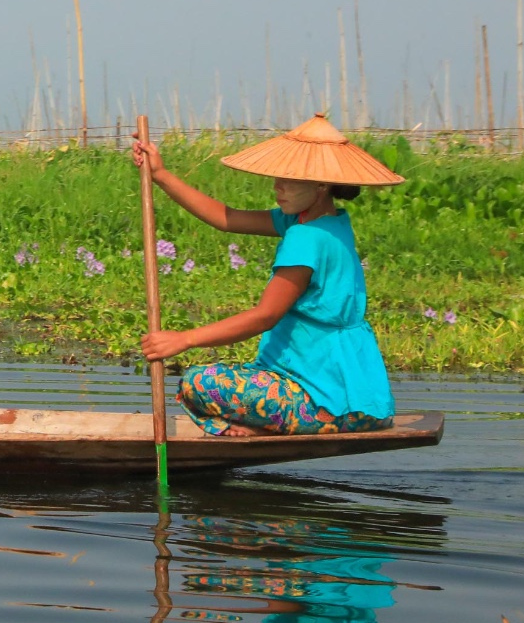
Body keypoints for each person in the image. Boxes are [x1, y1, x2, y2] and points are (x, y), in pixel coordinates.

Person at [132, 113, 403, 437]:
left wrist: (183, 340)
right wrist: (161, 175)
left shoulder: (306, 238)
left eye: (289, 180)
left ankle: (264, 427)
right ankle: (264, 425)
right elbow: (226, 218)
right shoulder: (328, 223)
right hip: (365, 402)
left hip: (326, 405)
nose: (278, 187)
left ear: (320, 184)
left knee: (198, 383)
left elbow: (265, 316)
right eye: (278, 178)